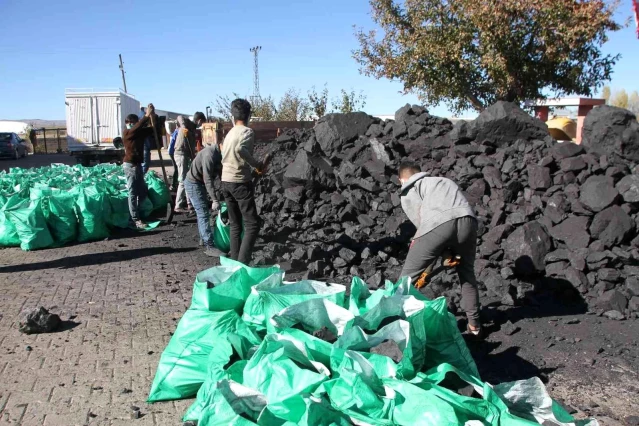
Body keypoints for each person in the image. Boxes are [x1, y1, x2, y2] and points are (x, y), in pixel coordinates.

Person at [397, 160, 482, 336]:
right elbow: (452, 217)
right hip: (468, 221)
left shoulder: (409, 189)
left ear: (402, 179)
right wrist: (446, 251)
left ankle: (393, 327)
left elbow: (424, 227)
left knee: (404, 282)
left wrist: (438, 254)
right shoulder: (444, 181)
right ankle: (475, 327)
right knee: (467, 274)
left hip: (437, 225)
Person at [220, 99, 269, 265]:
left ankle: (234, 263)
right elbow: (241, 149)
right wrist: (256, 165)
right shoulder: (247, 132)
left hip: (225, 181)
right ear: (249, 115)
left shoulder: (230, 133)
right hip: (239, 181)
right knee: (252, 224)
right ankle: (242, 264)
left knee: (235, 225)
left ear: (232, 116)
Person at [184, 141, 224, 257]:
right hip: (194, 183)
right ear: (222, 145)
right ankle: (209, 246)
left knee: (202, 213)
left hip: (198, 183)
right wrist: (215, 200)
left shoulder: (219, 153)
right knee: (203, 213)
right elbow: (207, 179)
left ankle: (203, 238)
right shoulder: (209, 155)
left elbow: (220, 171)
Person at [123, 105, 156, 229]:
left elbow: (152, 129)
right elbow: (135, 129)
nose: (130, 125)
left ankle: (141, 214)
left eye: (133, 123)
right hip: (129, 165)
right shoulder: (127, 133)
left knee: (142, 191)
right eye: (129, 123)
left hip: (137, 166)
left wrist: (152, 116)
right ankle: (134, 219)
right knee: (132, 192)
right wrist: (146, 116)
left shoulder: (138, 133)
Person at [173, 115, 197, 214]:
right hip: (180, 155)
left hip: (185, 156)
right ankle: (178, 205)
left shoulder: (190, 133)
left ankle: (189, 203)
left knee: (187, 180)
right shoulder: (184, 130)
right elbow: (179, 117)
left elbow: (191, 149)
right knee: (183, 181)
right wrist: (183, 127)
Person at [168, 121, 180, 191]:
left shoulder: (176, 132)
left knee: (177, 168)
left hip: (172, 151)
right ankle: (173, 184)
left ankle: (175, 183)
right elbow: (173, 143)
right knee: (176, 168)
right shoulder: (178, 132)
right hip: (173, 152)